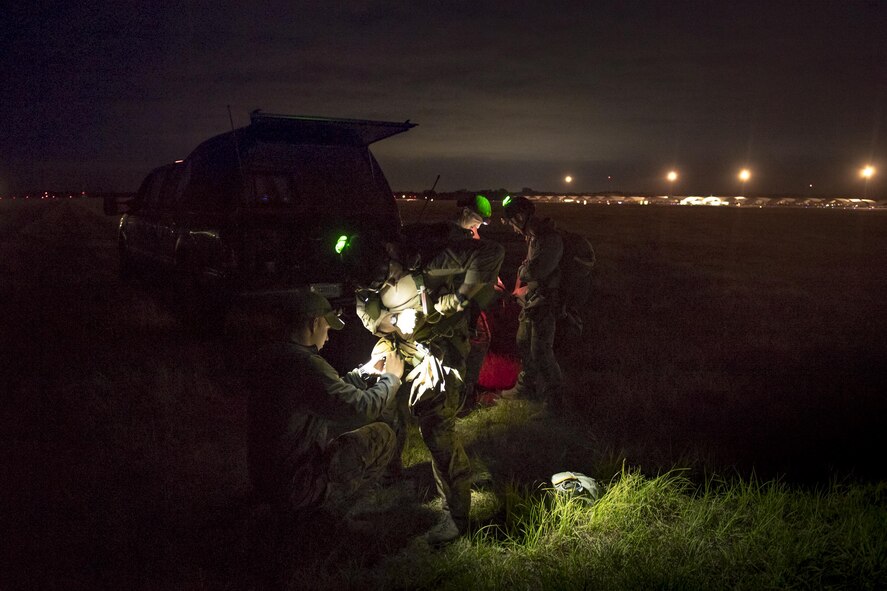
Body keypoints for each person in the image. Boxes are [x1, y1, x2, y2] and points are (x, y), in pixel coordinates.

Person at [344, 232, 504, 544]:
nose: (385, 286)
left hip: (440, 346)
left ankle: (456, 516)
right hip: (397, 342)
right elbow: (367, 311)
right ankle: (390, 474)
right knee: (383, 404)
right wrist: (388, 322)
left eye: (387, 278)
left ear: (391, 254)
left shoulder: (429, 257)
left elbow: (492, 252)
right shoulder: (362, 277)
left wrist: (457, 299)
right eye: (376, 285)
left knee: (436, 429)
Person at [245, 289, 405, 520]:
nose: (328, 337)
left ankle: (289, 504)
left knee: (333, 432)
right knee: (382, 436)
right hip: (297, 486)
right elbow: (362, 408)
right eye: (327, 329)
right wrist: (392, 378)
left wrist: (363, 373)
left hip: (268, 481)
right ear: (314, 323)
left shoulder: (274, 357)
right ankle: (338, 510)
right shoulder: (306, 365)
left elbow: (328, 394)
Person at [500, 195, 565, 412]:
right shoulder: (533, 237)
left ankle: (555, 403)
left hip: (545, 302)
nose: (512, 228)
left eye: (511, 222)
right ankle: (526, 388)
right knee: (523, 342)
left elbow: (535, 270)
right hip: (531, 300)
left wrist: (522, 272)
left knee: (541, 352)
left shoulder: (549, 239)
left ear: (520, 216)